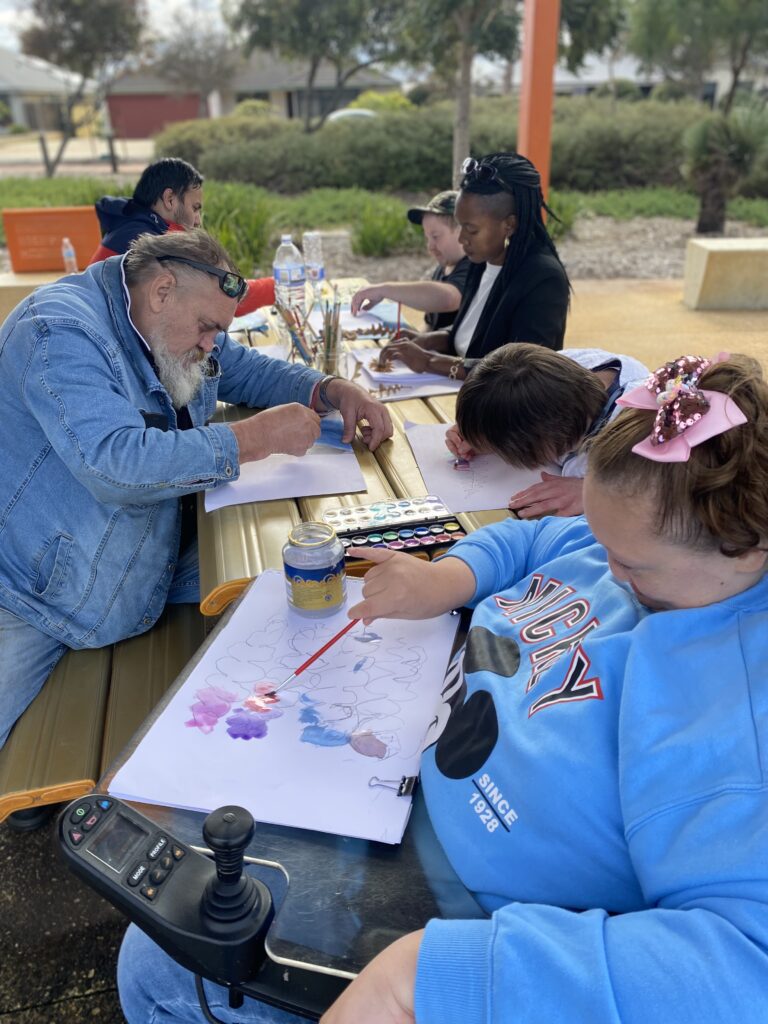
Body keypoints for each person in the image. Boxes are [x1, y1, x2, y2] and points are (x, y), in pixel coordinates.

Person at [117, 352, 768, 1024]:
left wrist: (430, 976)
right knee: (166, 881)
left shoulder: (736, 711)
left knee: (162, 971)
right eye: (600, 539)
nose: (602, 566)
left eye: (627, 563)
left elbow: (743, 971)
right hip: (385, 780)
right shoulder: (647, 546)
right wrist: (447, 580)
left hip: (456, 905)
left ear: (745, 545)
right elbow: (540, 539)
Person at [0, 229, 391, 750]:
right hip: (36, 594)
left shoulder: (167, 318)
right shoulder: (58, 331)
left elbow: (245, 369)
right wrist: (252, 438)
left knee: (308, 570)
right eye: (207, 328)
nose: (212, 345)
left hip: (151, 558)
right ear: (162, 290)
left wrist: (327, 388)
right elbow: (114, 463)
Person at [376, 152, 570, 381]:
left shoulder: (543, 279)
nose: (462, 239)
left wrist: (430, 361)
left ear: (509, 224)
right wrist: (430, 339)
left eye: (472, 229)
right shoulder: (482, 259)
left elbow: (522, 372)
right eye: (460, 226)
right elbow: (475, 334)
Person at [445, 343, 649, 517]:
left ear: (539, 444)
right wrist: (482, 430)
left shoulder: (639, 432)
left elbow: (665, 494)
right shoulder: (558, 374)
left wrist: (596, 492)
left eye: (504, 450)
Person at [89, 157, 274, 315]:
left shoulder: (128, 225)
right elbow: (224, 298)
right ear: (170, 199)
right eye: (195, 209)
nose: (197, 221)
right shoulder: (155, 241)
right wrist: (279, 285)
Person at [349, 190, 471, 333]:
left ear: (461, 231)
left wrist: (384, 290)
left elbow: (449, 299)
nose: (430, 246)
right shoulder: (442, 269)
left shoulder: (472, 266)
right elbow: (430, 325)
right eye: (427, 238)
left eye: (436, 236)